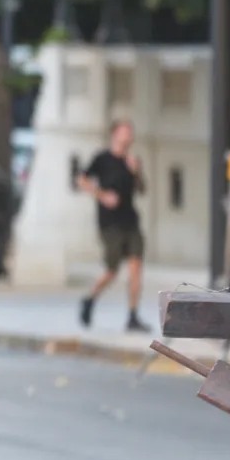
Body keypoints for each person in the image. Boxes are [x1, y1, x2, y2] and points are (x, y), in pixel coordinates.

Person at [77, 118, 150, 332]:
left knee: (136, 268)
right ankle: (90, 299)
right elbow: (81, 180)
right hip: (110, 222)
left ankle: (133, 316)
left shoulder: (132, 161)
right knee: (112, 270)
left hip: (131, 220)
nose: (129, 135)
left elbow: (142, 190)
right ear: (115, 134)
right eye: (125, 131)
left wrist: (136, 171)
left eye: (131, 131)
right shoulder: (102, 158)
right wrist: (102, 195)